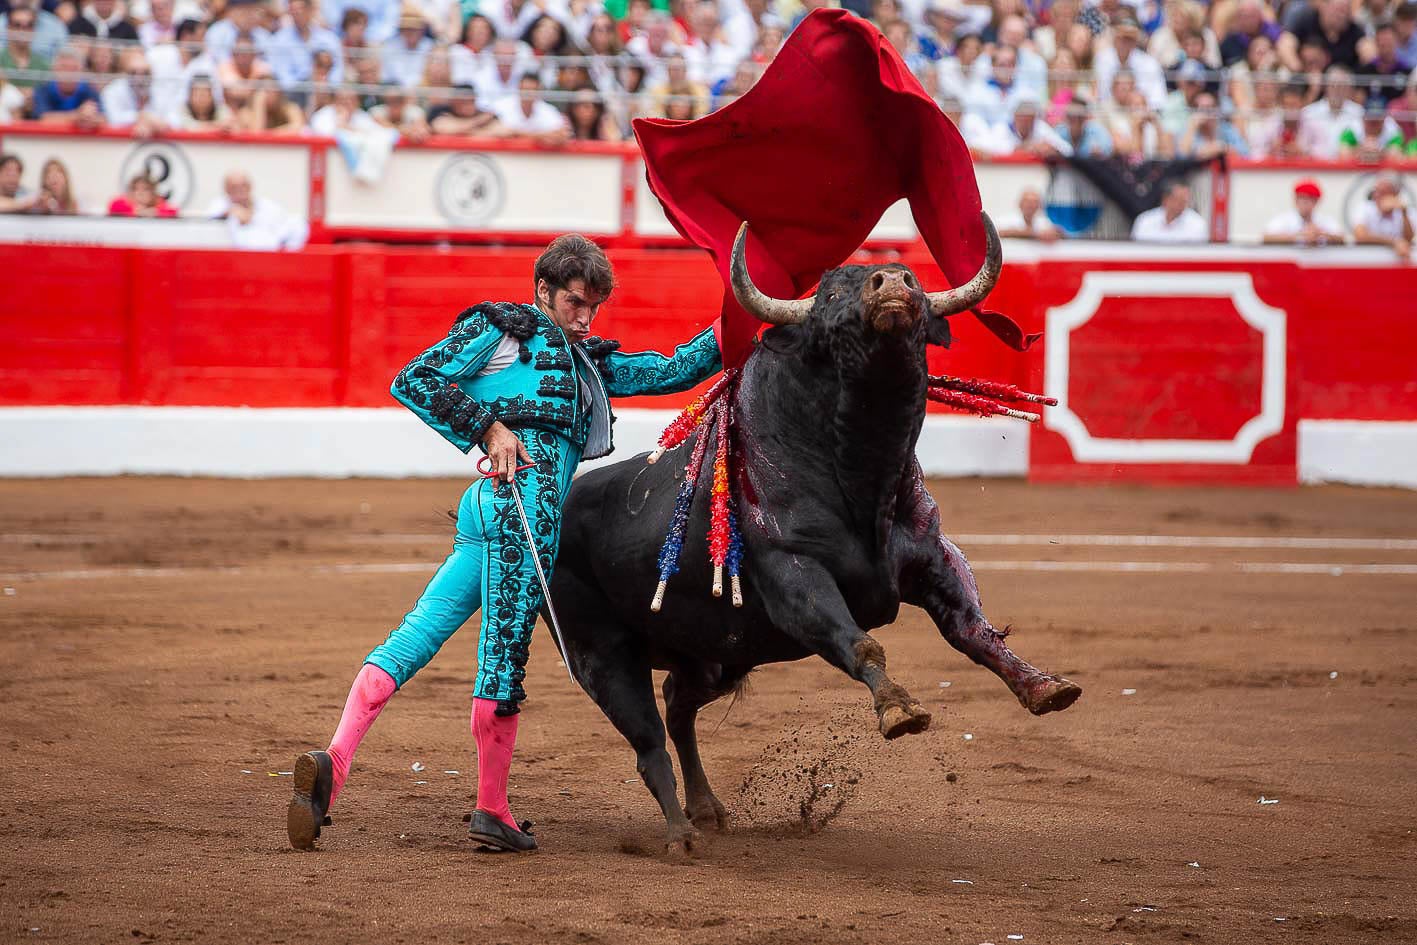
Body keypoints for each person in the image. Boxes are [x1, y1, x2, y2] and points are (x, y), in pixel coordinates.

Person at [285, 235, 725, 854]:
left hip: (496, 509)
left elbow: (672, 369)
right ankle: (491, 809)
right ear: (542, 290)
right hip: (522, 509)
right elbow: (416, 377)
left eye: (593, 307)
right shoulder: (506, 331)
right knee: (503, 658)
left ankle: (334, 764)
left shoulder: (587, 362)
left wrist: (742, 314)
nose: (584, 317)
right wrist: (489, 427)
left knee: (419, 633)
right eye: (575, 302)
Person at [206, 169, 307, 250]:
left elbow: (289, 227)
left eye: (243, 185)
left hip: (270, 257)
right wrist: (230, 213)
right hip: (235, 261)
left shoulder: (267, 206)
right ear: (226, 189)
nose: (240, 189)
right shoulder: (220, 205)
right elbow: (210, 220)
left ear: (250, 186)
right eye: (234, 187)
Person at [266, 0, 342, 90]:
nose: (297, 14)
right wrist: (304, 88)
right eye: (293, 10)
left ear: (310, 10)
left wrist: (327, 86)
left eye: (301, 9)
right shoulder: (280, 40)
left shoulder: (329, 39)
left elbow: (337, 71)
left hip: (326, 92)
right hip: (294, 95)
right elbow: (283, 76)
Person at [1299, 65, 1363, 158]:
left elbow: (1361, 145)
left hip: (1347, 168)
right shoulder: (1309, 113)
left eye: (1342, 86)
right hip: (1315, 168)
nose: (1337, 90)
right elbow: (1302, 147)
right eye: (1333, 85)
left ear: (1350, 88)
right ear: (1325, 86)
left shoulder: (1359, 113)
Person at [33, 45, 105, 127]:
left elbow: (103, 119)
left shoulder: (90, 90)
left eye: (74, 69)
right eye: (64, 68)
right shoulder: (43, 89)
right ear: (54, 69)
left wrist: (91, 118)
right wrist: (77, 116)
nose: (68, 73)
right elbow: (42, 119)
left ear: (82, 71)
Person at [1262, 178, 1344, 246]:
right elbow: (1266, 237)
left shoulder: (1324, 220)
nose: (1306, 203)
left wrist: (1321, 235)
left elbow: (1341, 238)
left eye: (1310, 199)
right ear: (1296, 200)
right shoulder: (1284, 219)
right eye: (1303, 198)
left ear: (1316, 202)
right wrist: (1299, 236)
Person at [493, 73, 570, 143]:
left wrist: (516, 133)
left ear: (539, 91)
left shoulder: (548, 110)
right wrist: (543, 136)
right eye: (525, 90)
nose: (528, 95)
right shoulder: (501, 106)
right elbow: (496, 132)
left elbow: (562, 135)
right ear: (519, 89)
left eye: (532, 90)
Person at [1353, 174, 1415, 258]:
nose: (1377, 196)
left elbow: (1408, 239)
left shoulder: (1407, 211)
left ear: (1395, 193)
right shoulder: (1364, 208)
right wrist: (1394, 242)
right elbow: (1360, 236)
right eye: (1376, 191)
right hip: (1368, 261)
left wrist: (1404, 213)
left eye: (1383, 192)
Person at [1131, 180, 1208, 243]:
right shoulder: (1145, 221)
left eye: (1185, 201)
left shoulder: (1197, 224)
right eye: (1179, 200)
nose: (1182, 205)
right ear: (1165, 199)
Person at [0, 5, 52, 90]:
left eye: (29, 25)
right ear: (8, 28)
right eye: (17, 25)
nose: (23, 30)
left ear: (34, 29)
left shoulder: (43, 65)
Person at [1340, 97, 1406, 160]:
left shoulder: (1392, 130)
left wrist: (1380, 153)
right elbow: (1343, 153)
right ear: (1363, 117)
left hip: (1383, 170)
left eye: (1377, 118)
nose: (1373, 122)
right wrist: (1360, 150)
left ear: (1384, 118)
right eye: (1370, 118)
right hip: (1357, 169)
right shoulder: (1354, 128)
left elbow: (1396, 154)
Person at [426, 82, 499, 135]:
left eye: (471, 101)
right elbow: (441, 127)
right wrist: (479, 121)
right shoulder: (440, 110)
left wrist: (462, 129)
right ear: (454, 101)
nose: (468, 105)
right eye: (464, 101)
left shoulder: (483, 113)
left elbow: (504, 130)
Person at [996, 186, 1061, 241]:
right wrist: (1036, 234)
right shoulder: (1006, 219)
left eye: (1035, 202)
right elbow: (1001, 233)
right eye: (1028, 202)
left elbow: (1055, 233)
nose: (1031, 205)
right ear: (1020, 204)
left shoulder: (1044, 221)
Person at [108, 172, 178, 217]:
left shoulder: (158, 202)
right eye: (135, 189)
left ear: (153, 193)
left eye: (145, 189)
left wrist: (156, 212)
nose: (140, 193)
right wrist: (134, 211)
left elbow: (173, 210)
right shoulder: (124, 202)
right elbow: (113, 205)